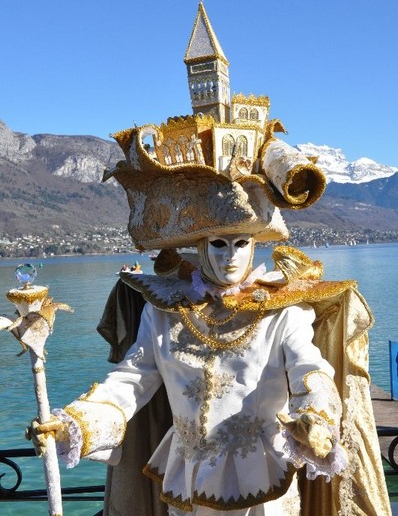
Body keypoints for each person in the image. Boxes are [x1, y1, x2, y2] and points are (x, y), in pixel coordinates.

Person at [27, 114, 391, 515]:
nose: (230, 255)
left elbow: (310, 370)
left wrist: (316, 416)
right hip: (188, 482)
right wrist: (77, 422)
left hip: (264, 484)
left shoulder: (282, 314)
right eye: (218, 243)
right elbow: (131, 380)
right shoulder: (165, 314)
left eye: (241, 243)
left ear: (256, 245)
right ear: (199, 246)